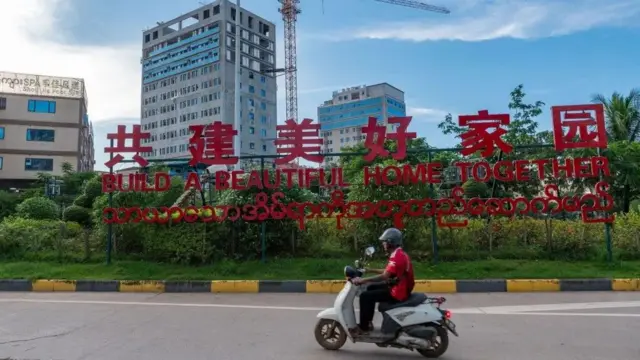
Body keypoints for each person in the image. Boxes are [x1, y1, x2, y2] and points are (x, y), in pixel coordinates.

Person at [350, 227, 415, 336]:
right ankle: (368, 322)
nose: (383, 244)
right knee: (370, 288)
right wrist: (369, 270)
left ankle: (363, 327)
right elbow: (388, 271)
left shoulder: (397, 257)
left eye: (385, 242)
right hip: (397, 286)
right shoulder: (399, 253)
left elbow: (385, 276)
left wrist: (362, 280)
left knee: (365, 296)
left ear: (391, 242)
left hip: (398, 291)